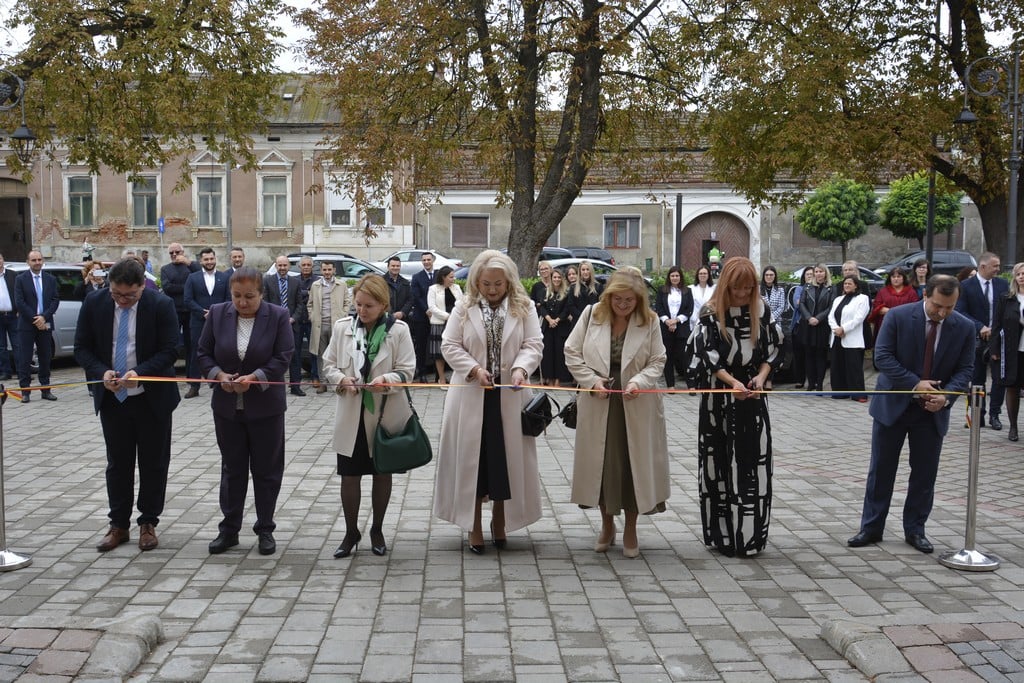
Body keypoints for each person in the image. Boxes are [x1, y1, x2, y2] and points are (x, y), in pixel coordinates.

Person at [848, 275, 975, 554]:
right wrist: (915, 383)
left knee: (924, 474)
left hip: (931, 412)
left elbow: (966, 370)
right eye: (938, 306)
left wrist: (946, 396)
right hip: (893, 406)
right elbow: (882, 357)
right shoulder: (898, 317)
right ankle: (871, 527)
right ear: (925, 295)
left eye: (949, 308)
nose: (942, 313)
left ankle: (915, 530)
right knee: (881, 469)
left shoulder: (964, 327)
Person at [434, 250, 543, 554]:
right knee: (474, 462)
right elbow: (450, 344)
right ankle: (474, 525)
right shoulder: (463, 306)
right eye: (486, 284)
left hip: (510, 394)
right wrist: (475, 369)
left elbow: (533, 344)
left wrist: (521, 368)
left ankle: (500, 519)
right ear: (476, 283)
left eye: (498, 284)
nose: (492, 290)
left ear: (509, 281)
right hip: (471, 393)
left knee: (505, 461)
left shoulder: (525, 306)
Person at [74, 257, 181, 552]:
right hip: (113, 399)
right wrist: (101, 373)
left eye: (129, 296)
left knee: (154, 463)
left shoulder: (160, 305)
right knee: (118, 464)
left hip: (151, 399)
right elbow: (82, 348)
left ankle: (148, 522)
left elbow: (171, 349)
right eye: (116, 294)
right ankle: (118, 524)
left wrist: (141, 373)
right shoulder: (95, 303)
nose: (122, 300)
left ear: (142, 287)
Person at [564, 270, 669, 558]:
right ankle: (607, 525)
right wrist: (591, 381)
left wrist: (639, 381)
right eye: (618, 299)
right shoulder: (591, 314)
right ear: (608, 297)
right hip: (600, 400)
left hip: (636, 402)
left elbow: (658, 359)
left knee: (633, 465)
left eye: (630, 301)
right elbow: (571, 352)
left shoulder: (650, 321)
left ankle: (631, 528)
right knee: (602, 465)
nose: (623, 305)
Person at [198, 267, 295, 556]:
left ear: (261, 294)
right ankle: (229, 529)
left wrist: (256, 377)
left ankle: (265, 529)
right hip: (227, 409)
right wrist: (218, 375)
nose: (242, 303)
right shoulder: (217, 313)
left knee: (266, 470)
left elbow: (284, 356)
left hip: (266, 409)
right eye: (237, 296)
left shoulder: (277, 316)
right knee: (232, 469)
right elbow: (203, 353)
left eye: (249, 297)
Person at [690, 257, 781, 557]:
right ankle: (723, 536)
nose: (743, 294)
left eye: (748, 288)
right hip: (719, 395)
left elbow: (775, 348)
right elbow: (706, 354)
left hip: (753, 395)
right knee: (719, 465)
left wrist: (761, 377)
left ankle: (751, 537)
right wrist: (731, 383)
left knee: (753, 464)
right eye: (737, 288)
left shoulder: (762, 310)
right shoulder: (710, 312)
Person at [322, 274, 416, 558]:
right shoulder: (343, 328)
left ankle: (377, 529)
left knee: (381, 473)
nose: (361, 311)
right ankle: (351, 532)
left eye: (369, 306)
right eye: (358, 304)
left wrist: (387, 379)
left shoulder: (398, 330)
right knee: (349, 476)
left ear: (383, 305)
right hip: (351, 414)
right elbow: (328, 364)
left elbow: (407, 370)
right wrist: (341, 379)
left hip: (383, 415)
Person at [956, 252, 1007, 430]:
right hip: (975, 340)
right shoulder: (966, 286)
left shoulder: (1002, 284)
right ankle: (978, 415)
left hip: (998, 339)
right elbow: (960, 311)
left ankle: (995, 415)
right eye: (995, 266)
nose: (998, 270)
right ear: (983, 266)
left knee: (999, 378)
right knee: (976, 379)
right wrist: (980, 327)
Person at [183, 248, 231, 398]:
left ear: (215, 259)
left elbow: (228, 299)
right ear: (201, 261)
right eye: (206, 259)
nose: (209, 262)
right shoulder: (192, 278)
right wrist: (203, 313)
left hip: (219, 322)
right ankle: (194, 385)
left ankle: (219, 382)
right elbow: (188, 300)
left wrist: (216, 313)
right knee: (196, 352)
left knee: (220, 352)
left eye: (211, 259)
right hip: (198, 322)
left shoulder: (224, 277)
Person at [14, 250, 60, 402]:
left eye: (40, 259)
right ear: (28, 262)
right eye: (34, 260)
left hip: (45, 323)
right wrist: (36, 319)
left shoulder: (50, 279)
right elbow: (20, 302)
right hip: (27, 323)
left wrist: (44, 317)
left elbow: (55, 300)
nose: (37, 262)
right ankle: (25, 391)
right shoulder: (20, 279)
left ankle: (45, 389)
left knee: (45, 357)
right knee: (25, 357)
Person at [990, 262, 1024, 442]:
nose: (1022, 277)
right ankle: (1013, 427)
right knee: (1012, 386)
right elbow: (996, 324)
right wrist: (994, 348)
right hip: (1013, 350)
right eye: (1019, 274)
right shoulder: (1007, 298)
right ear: (1014, 277)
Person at [307, 260, 352, 393]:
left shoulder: (341, 284)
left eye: (329, 270)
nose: (327, 272)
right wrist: (312, 316)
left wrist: (343, 315)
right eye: (324, 270)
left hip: (336, 325)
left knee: (337, 354)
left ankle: (338, 382)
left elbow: (347, 301)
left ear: (334, 271)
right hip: (319, 326)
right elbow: (309, 304)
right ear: (321, 271)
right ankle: (323, 382)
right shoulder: (315, 285)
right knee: (321, 355)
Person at [263, 256, 305, 396]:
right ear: (275, 266)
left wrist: (293, 318)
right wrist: (276, 319)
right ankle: (273, 385)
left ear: (289, 266)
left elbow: (300, 303)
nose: (282, 268)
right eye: (279, 265)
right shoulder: (268, 281)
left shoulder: (296, 282)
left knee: (294, 356)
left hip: (292, 325)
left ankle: (295, 386)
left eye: (284, 265)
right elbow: (265, 303)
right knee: (272, 356)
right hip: (273, 325)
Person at [828, 276, 871, 401]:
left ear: (856, 285)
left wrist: (844, 328)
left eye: (849, 283)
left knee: (854, 368)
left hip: (852, 338)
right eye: (845, 283)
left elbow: (859, 318)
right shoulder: (838, 299)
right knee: (837, 366)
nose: (846, 285)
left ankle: (858, 394)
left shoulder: (862, 298)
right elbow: (831, 316)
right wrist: (836, 329)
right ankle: (840, 392)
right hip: (837, 337)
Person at [160, 242, 199, 370]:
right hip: (174, 311)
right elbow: (167, 288)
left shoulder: (190, 266)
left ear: (183, 252)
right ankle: (169, 370)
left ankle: (190, 375)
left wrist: (188, 263)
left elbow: (201, 277)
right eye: (171, 253)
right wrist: (188, 287)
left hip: (190, 310)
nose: (175, 255)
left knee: (191, 344)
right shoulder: (165, 269)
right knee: (172, 342)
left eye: (177, 252)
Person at [655, 266, 694, 388]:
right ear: (669, 277)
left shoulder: (687, 291)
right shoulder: (662, 290)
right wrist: (667, 321)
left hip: (682, 328)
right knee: (668, 357)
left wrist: (676, 321)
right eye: (672, 276)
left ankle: (690, 385)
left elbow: (689, 309)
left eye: (677, 275)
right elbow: (659, 307)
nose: (675, 278)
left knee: (684, 356)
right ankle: (670, 385)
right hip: (666, 328)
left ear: (680, 277)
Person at [797, 264, 833, 393]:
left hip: (822, 325)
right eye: (816, 271)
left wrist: (818, 318)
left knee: (820, 356)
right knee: (809, 355)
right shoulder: (807, 287)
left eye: (821, 271)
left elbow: (831, 306)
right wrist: (809, 317)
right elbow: (801, 303)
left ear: (825, 273)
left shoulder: (830, 288)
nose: (818, 274)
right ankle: (811, 383)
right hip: (808, 325)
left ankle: (819, 384)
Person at [427, 266, 464, 385]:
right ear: (443, 277)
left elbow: (462, 303)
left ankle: (455, 377)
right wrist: (447, 316)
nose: (454, 279)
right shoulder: (433, 289)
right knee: (439, 353)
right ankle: (441, 378)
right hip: (439, 323)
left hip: (456, 323)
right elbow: (432, 307)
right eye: (451, 277)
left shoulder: (457, 288)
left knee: (457, 349)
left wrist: (455, 316)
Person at [867, 267, 919, 342]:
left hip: (905, 325)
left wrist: (892, 311)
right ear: (890, 278)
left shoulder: (911, 292)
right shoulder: (883, 292)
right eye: (893, 277)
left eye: (898, 276)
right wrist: (882, 310)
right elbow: (877, 307)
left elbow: (915, 308)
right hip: (886, 325)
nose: (896, 279)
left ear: (903, 278)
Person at [539, 269, 571, 386]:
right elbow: (542, 307)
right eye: (554, 277)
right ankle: (549, 378)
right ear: (551, 279)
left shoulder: (566, 293)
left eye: (559, 277)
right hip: (548, 327)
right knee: (548, 353)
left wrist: (557, 320)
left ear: (562, 279)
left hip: (561, 327)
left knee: (559, 354)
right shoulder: (544, 291)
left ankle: (558, 379)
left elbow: (567, 309)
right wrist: (549, 320)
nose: (556, 279)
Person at [409, 251, 436, 381]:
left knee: (437, 345)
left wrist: (435, 311)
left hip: (437, 317)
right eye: (424, 260)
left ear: (433, 260)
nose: (426, 262)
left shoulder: (438, 276)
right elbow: (416, 296)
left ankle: (438, 374)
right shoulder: (417, 277)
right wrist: (427, 309)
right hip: (421, 317)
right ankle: (422, 373)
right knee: (421, 346)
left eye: (428, 260)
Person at [760, 266, 787, 389]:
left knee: (773, 352)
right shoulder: (758, 290)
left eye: (771, 275)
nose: (769, 277)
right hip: (762, 325)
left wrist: (771, 319)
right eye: (767, 275)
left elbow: (781, 307)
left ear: (775, 276)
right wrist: (765, 319)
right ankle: (762, 378)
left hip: (775, 324)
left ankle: (770, 380)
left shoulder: (780, 290)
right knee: (763, 352)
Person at [788, 266, 815, 388]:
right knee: (799, 355)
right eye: (807, 274)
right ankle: (799, 379)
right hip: (799, 325)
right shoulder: (799, 289)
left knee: (811, 355)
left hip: (812, 325)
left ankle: (812, 380)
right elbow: (797, 304)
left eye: (811, 274)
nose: (809, 276)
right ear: (804, 276)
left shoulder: (818, 289)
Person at [296, 256, 319, 389]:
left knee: (314, 350)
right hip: (298, 320)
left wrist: (302, 293)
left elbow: (315, 297)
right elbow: (296, 296)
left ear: (312, 266)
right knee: (296, 350)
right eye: (303, 265)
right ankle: (296, 377)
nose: (306, 267)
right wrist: (308, 292)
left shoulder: (317, 281)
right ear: (300, 266)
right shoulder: (294, 280)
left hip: (312, 320)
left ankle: (315, 376)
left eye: (308, 265)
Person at [0, 253, 20, 381]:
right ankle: (5, 372)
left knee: (18, 344)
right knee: (1, 346)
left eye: (0, 259)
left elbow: (19, 293)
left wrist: (19, 310)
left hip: (13, 315)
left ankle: (22, 371)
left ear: (3, 260)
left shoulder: (13, 275)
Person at [566, 260, 603, 326]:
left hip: (593, 322)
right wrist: (582, 317)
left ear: (591, 271)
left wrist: (592, 317)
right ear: (580, 272)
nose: (585, 272)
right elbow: (570, 305)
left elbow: (601, 304)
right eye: (583, 270)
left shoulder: (598, 286)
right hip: (578, 322)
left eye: (587, 269)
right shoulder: (573, 287)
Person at [385, 256, 413, 321]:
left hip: (402, 319)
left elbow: (410, 300)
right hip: (385, 319)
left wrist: (402, 312)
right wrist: (390, 314)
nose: (395, 268)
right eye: (393, 266)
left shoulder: (405, 283)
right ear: (388, 267)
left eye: (398, 266)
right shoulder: (381, 282)